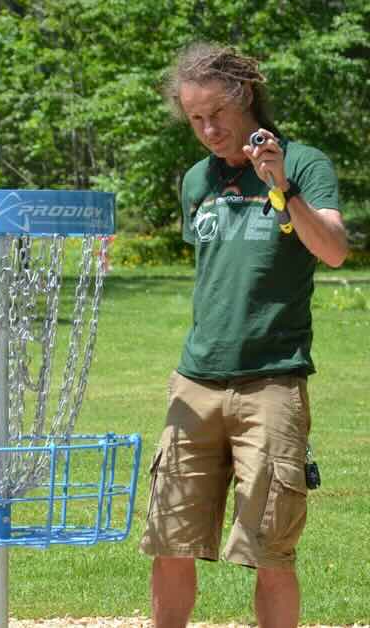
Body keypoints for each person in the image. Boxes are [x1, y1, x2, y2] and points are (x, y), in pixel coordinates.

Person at [140, 43, 349, 628]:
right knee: (169, 540)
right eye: (195, 119)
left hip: (272, 383)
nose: (208, 130)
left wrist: (280, 186)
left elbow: (333, 249)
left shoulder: (303, 163)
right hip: (195, 382)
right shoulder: (196, 180)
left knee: (270, 550)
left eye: (217, 115)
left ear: (245, 97)